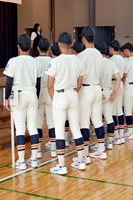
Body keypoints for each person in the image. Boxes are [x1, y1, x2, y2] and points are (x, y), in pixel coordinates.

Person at [47, 32, 85, 174]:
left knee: (59, 131)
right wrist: (73, 93)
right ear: (72, 44)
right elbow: (79, 83)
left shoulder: (55, 61)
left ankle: (62, 165)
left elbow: (50, 85)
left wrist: (55, 98)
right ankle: (81, 161)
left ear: (58, 45)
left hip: (60, 95)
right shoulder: (78, 60)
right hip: (73, 94)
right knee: (75, 128)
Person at [4, 34, 42, 169]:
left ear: (18, 46)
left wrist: (6, 98)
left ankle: (21, 161)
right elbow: (38, 83)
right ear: (30, 46)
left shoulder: (13, 61)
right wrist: (36, 98)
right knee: (32, 127)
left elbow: (9, 83)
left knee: (20, 128)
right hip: (32, 94)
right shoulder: (35, 61)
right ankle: (33, 159)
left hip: (18, 95)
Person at [75, 27, 105, 162]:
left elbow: (77, 76)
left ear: (83, 39)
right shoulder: (100, 54)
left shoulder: (81, 56)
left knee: (84, 123)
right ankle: (101, 150)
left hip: (85, 90)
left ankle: (85, 155)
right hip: (97, 88)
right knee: (98, 121)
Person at [92, 41, 120, 154]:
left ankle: (100, 146)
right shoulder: (110, 63)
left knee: (98, 121)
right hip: (108, 92)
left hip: (99, 92)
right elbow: (118, 78)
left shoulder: (96, 63)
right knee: (109, 118)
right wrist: (114, 92)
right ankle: (110, 142)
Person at [35, 38, 57, 159]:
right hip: (50, 93)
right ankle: (53, 150)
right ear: (49, 48)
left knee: (38, 123)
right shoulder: (53, 61)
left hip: (38, 94)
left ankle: (38, 150)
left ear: (37, 48)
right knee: (51, 123)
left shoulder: (34, 61)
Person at [109, 40, 126, 144]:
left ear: (111, 48)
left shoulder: (111, 60)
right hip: (121, 85)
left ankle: (115, 136)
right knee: (120, 110)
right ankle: (121, 135)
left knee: (113, 112)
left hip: (113, 84)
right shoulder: (123, 59)